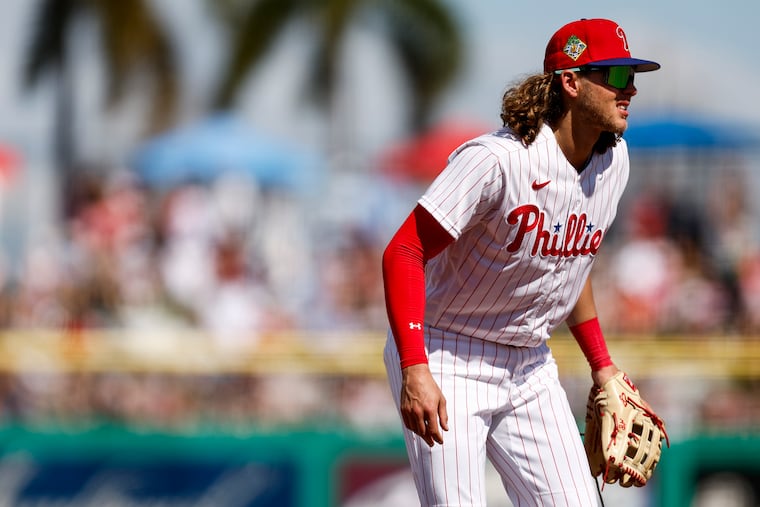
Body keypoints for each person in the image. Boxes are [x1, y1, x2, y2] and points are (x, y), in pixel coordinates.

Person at [382, 18, 660, 506]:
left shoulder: (615, 163)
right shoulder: (497, 161)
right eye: (615, 76)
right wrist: (414, 368)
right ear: (571, 82)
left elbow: (573, 265)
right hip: (449, 352)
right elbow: (404, 250)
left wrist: (602, 365)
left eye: (632, 76)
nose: (629, 89)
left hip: (529, 362)